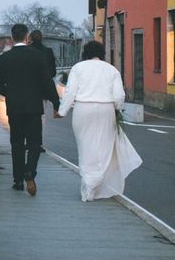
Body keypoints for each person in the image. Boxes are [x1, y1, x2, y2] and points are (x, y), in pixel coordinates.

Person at [57, 40, 142, 202]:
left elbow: (70, 92)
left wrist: (62, 111)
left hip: (83, 110)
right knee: (104, 148)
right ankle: (95, 183)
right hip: (105, 110)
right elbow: (119, 96)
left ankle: (89, 184)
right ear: (102, 54)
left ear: (85, 54)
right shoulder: (112, 70)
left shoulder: (78, 68)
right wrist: (116, 108)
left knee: (85, 147)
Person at [0, 24, 61, 196]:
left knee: (16, 143)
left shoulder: (4, 59)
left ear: (12, 37)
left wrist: (10, 93)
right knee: (34, 142)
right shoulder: (38, 57)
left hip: (14, 107)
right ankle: (30, 171)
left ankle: (17, 181)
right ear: (26, 37)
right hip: (33, 107)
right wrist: (55, 102)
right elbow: (47, 81)